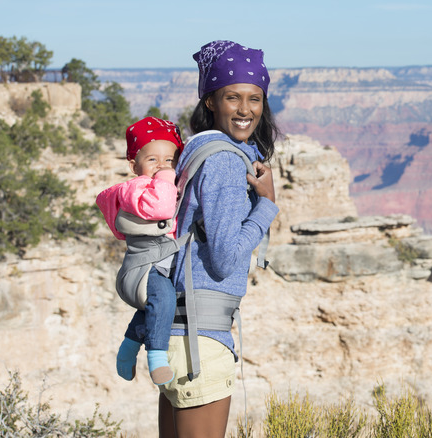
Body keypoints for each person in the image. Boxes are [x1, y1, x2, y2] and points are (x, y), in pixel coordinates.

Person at [157, 40, 279, 438]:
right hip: (202, 344)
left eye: (254, 99)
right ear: (211, 100)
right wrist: (266, 206)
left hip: (176, 335)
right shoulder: (226, 160)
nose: (245, 110)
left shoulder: (196, 148)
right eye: (232, 97)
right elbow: (225, 258)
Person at [96, 116, 185, 386]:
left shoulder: (151, 187)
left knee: (152, 311)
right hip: (148, 267)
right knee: (166, 300)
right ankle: (157, 356)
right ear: (134, 165)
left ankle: (126, 351)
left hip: (155, 264)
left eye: (169, 160)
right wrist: (168, 178)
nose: (161, 166)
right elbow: (161, 209)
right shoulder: (137, 188)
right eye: (152, 160)